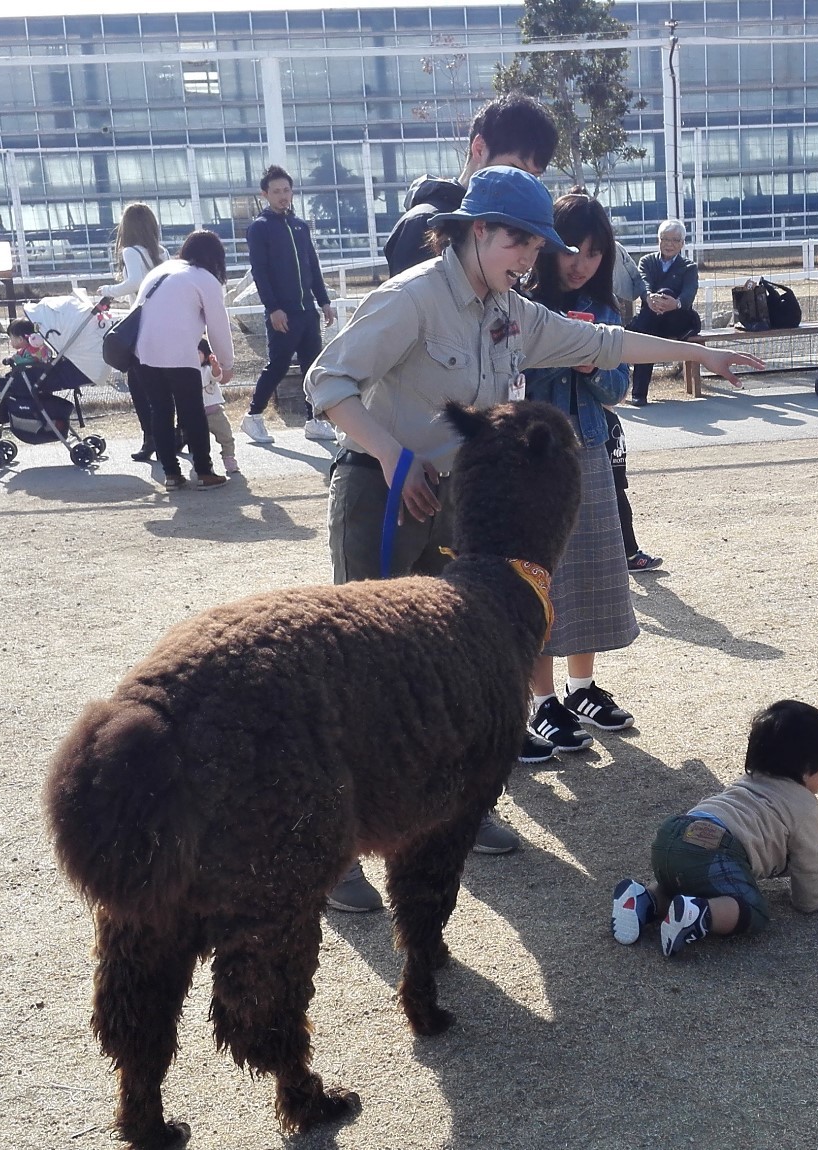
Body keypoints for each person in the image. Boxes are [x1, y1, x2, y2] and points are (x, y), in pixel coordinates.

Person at [302, 165, 764, 911]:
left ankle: (453, 812)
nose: (528, 254)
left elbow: (604, 343)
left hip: (457, 500)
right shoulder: (413, 297)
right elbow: (328, 383)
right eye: (516, 238)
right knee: (368, 677)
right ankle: (339, 852)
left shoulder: (510, 312)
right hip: (379, 493)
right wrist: (392, 455)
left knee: (449, 670)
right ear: (475, 230)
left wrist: (699, 356)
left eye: (533, 242)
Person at [518, 193, 645, 758]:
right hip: (534, 456)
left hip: (590, 449)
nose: (581, 263)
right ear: (546, 245)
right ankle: (543, 698)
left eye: (594, 252)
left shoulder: (607, 309)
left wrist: (593, 361)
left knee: (591, 568)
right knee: (543, 576)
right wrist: (556, 348)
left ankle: (581, 686)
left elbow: (618, 391)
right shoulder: (521, 306)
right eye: (571, 249)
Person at [608, 700, 818, 957]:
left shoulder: (748, 781)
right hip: (720, 848)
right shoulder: (804, 807)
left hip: (676, 832)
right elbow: (809, 861)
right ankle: (700, 913)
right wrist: (808, 902)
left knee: (681, 880)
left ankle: (642, 900)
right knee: (753, 909)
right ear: (807, 770)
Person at [383, 94, 558, 276]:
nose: (524, 185)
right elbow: (416, 301)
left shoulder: (515, 223)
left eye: (533, 177)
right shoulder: (423, 223)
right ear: (479, 149)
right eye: (514, 170)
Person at [131, 230, 237, 491]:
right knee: (192, 412)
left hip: (143, 352)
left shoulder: (162, 270)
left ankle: (171, 474)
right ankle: (204, 471)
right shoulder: (205, 279)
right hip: (178, 352)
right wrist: (227, 364)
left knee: (161, 412)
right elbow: (218, 328)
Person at [243, 165, 338, 445]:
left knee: (312, 366)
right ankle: (253, 415)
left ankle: (314, 420)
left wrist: (324, 301)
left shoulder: (299, 226)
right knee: (279, 364)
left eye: (286, 190)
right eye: (276, 192)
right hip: (282, 311)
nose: (283, 196)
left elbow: (313, 265)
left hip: (307, 309)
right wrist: (273, 307)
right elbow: (260, 272)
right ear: (265, 194)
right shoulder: (259, 228)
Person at [96, 203, 167, 463]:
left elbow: (135, 283)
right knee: (163, 382)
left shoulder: (129, 251)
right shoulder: (161, 252)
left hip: (141, 322)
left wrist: (108, 290)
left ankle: (150, 437)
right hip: (164, 321)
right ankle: (168, 435)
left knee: (138, 382)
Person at [625, 220, 701, 406]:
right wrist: (649, 298)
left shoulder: (689, 267)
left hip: (678, 319)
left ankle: (638, 392)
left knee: (645, 330)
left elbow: (689, 294)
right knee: (648, 335)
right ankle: (639, 396)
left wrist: (675, 304)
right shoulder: (647, 261)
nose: (669, 244)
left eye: (675, 240)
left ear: (682, 243)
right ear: (658, 240)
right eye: (665, 239)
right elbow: (643, 283)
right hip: (652, 318)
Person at [603, 408, 663, 572]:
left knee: (624, 514)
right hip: (603, 481)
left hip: (616, 480)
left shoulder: (611, 415)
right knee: (619, 515)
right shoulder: (597, 417)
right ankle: (630, 555)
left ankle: (628, 555)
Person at [199, 337, 239, 474]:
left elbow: (217, 376)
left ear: (206, 355)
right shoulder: (186, 372)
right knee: (200, 444)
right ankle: (204, 465)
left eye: (198, 353)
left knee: (226, 437)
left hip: (215, 413)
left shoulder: (208, 369)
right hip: (197, 415)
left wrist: (216, 367)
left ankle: (229, 459)